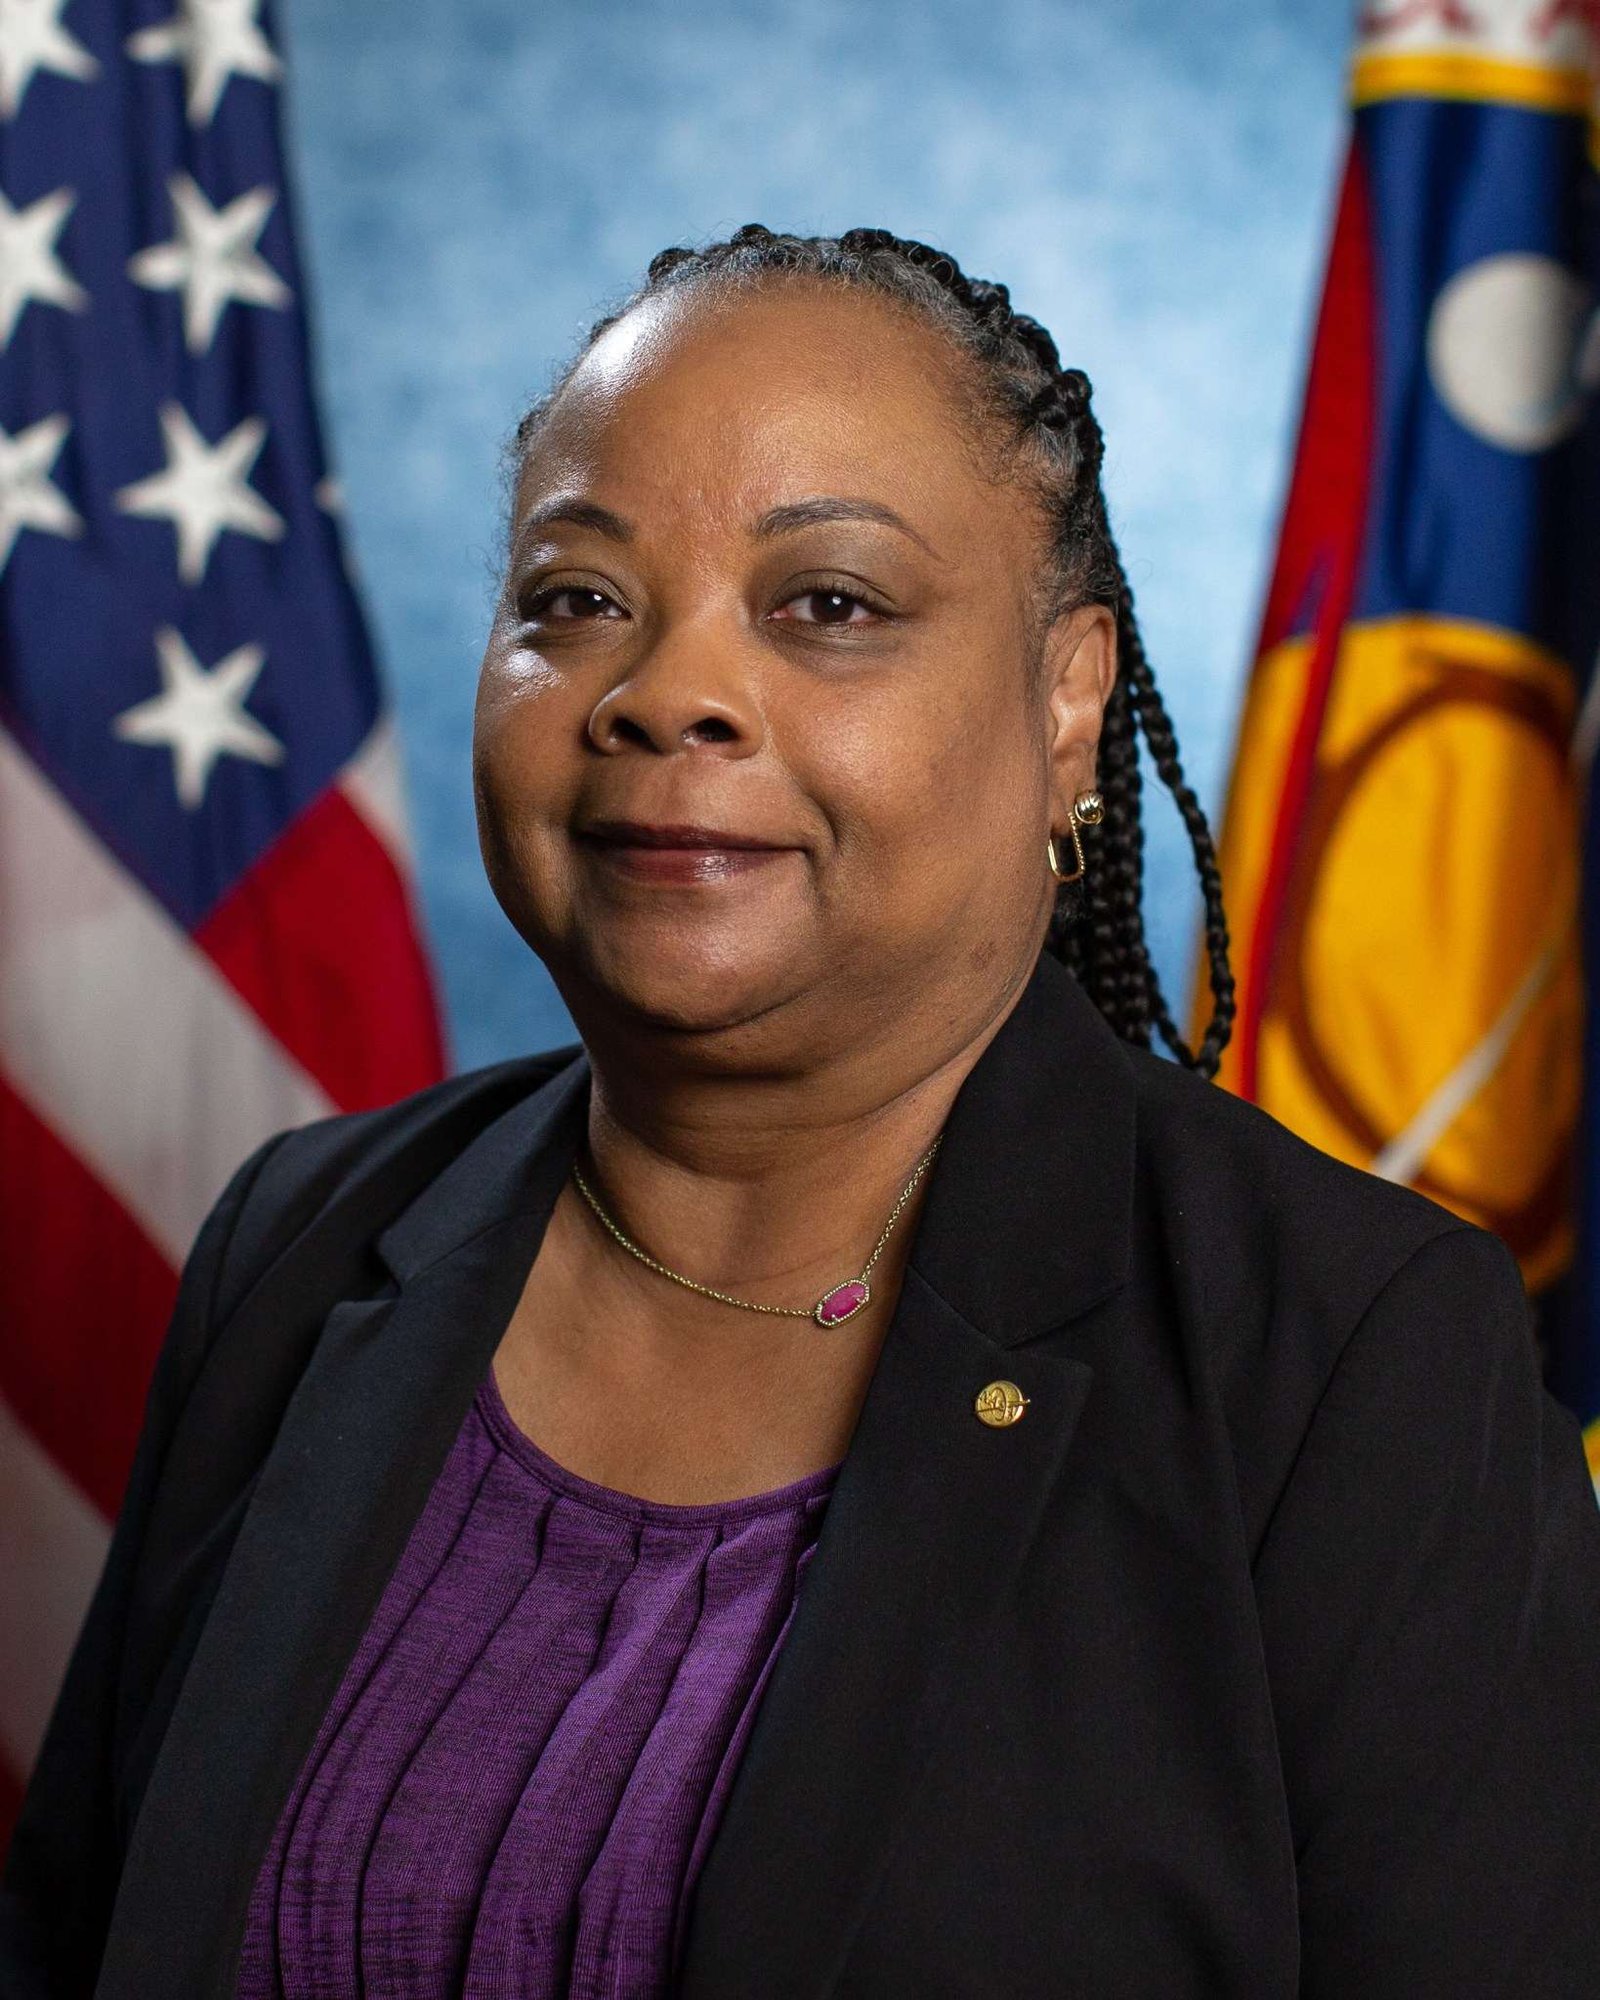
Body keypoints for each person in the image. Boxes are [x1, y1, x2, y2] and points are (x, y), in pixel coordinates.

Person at [4, 224, 1599, 2000]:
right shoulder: (299, 1247)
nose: (664, 690)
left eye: (826, 605)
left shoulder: (1350, 1357)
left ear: (1069, 704)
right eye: (575, 599)